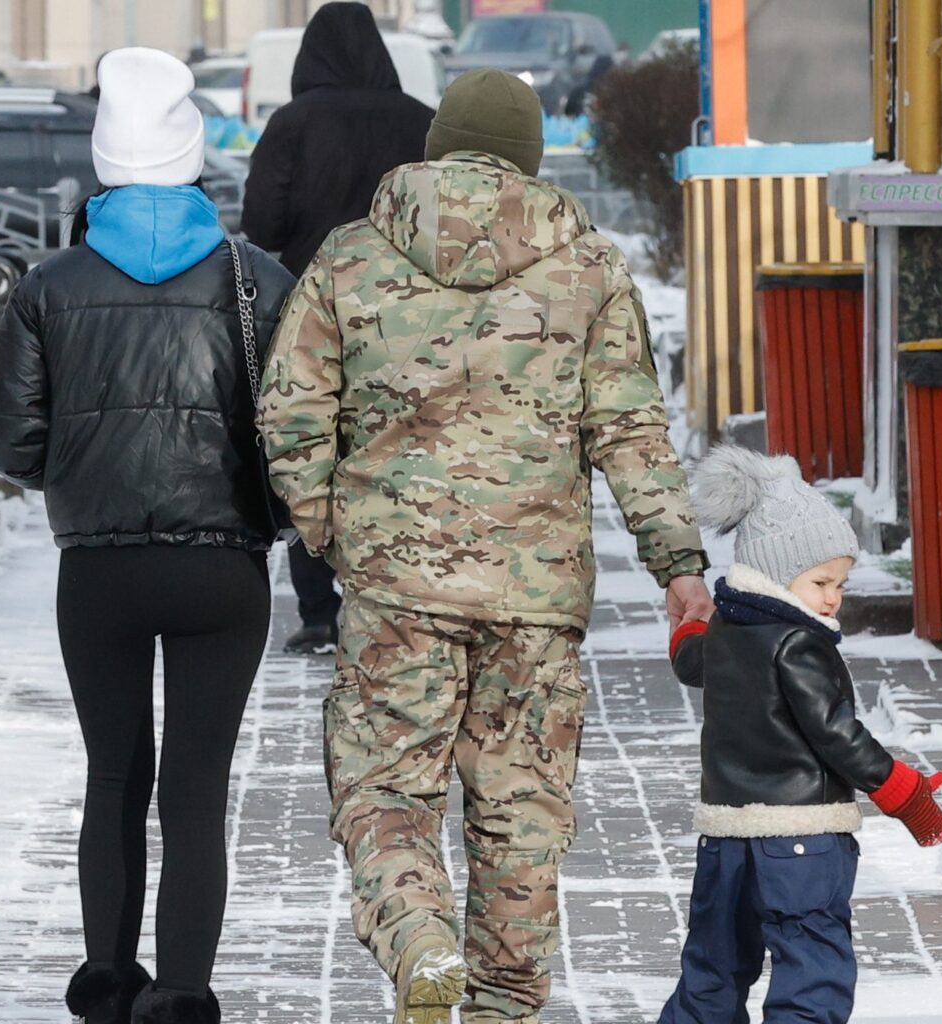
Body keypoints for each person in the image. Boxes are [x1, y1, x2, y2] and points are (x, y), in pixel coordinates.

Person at [258, 68, 715, 1024]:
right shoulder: (589, 269)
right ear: (531, 157)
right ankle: (505, 1004)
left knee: (384, 791)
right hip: (535, 600)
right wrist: (677, 565)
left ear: (435, 149)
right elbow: (629, 434)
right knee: (521, 817)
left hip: (395, 589)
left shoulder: (350, 258)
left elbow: (289, 410)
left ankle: (420, 940)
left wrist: (330, 530)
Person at [0, 48, 294, 1024]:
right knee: (197, 785)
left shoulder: (48, 286)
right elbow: (300, 426)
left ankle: (108, 978)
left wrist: (75, 470)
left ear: (105, 160)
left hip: (99, 574)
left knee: (114, 769)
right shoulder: (257, 279)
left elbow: (7, 437)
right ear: (194, 159)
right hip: (223, 573)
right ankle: (186, 991)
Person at [658, 447, 942, 1024]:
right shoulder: (798, 643)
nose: (833, 598)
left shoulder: (722, 633)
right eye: (820, 581)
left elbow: (689, 660)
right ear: (773, 573)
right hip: (802, 840)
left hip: (724, 842)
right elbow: (836, 732)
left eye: (839, 583)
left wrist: (689, 618)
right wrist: (902, 790)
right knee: (810, 968)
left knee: (713, 969)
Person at [241, 0, 435, 656]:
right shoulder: (422, 124)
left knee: (310, 452)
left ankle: (319, 611)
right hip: (408, 320)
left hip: (313, 315)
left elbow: (260, 225)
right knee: (399, 454)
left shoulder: (292, 124)